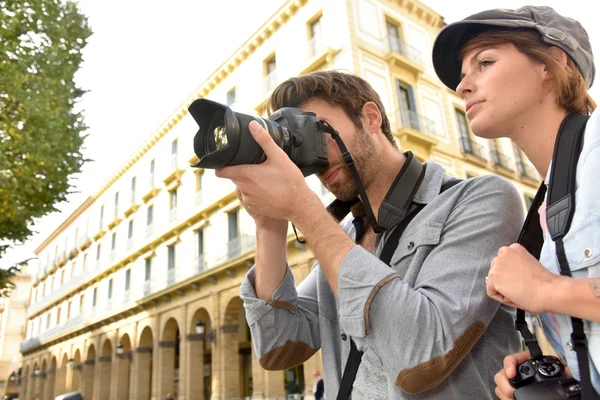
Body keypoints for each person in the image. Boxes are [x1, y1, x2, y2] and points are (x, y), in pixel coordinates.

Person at [217, 70, 524, 399]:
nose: (315, 158)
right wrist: (269, 222)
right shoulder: (344, 237)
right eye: (301, 145)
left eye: (318, 131)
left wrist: (303, 209)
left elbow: (420, 357)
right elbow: (277, 345)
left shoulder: (480, 199)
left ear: (371, 117)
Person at [432, 6, 600, 399]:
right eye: (462, 76)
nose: (463, 87)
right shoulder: (549, 201)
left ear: (551, 62)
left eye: (485, 62)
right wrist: (563, 367)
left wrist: (546, 292)